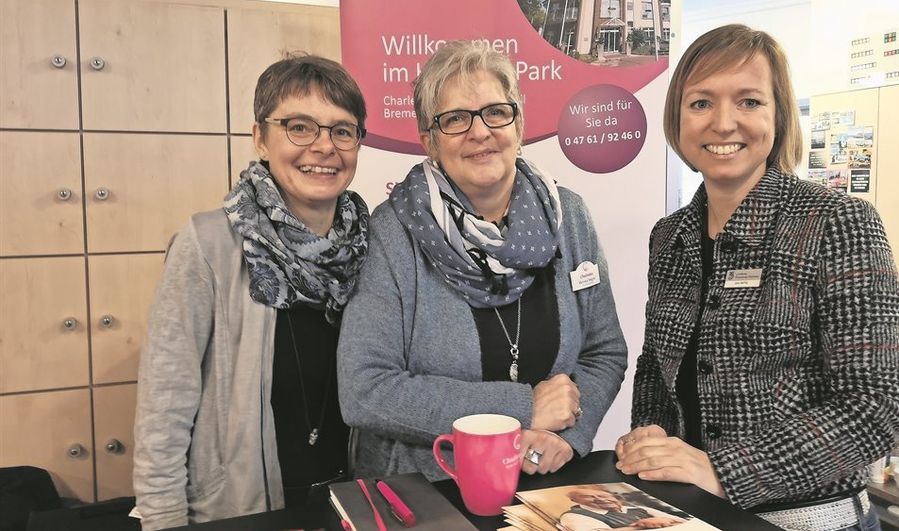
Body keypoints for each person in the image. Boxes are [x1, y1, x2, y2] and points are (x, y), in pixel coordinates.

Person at [615, 24, 899, 531]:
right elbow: (655, 370)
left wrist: (723, 469)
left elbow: (877, 408)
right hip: (690, 515)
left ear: (778, 113)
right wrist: (648, 439)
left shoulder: (836, 222)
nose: (723, 122)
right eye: (701, 103)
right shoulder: (670, 237)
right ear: (678, 118)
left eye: (749, 102)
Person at [337, 40, 627, 480]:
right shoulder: (394, 231)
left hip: (545, 482)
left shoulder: (569, 217)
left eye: (496, 112)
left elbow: (603, 350)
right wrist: (521, 410)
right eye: (455, 119)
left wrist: (566, 436)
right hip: (432, 489)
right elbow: (365, 390)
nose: (480, 132)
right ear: (428, 141)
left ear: (519, 124)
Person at [133, 55, 370, 530]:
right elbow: (165, 404)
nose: (324, 147)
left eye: (342, 131)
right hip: (243, 510)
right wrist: (163, 520)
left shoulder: (372, 245)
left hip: (355, 502)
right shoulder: (208, 245)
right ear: (261, 137)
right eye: (299, 127)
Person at [559, 487, 685, 530]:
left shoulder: (637, 508)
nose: (601, 499)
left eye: (603, 495)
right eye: (590, 497)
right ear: (576, 500)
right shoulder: (573, 516)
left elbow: (681, 521)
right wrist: (640, 526)